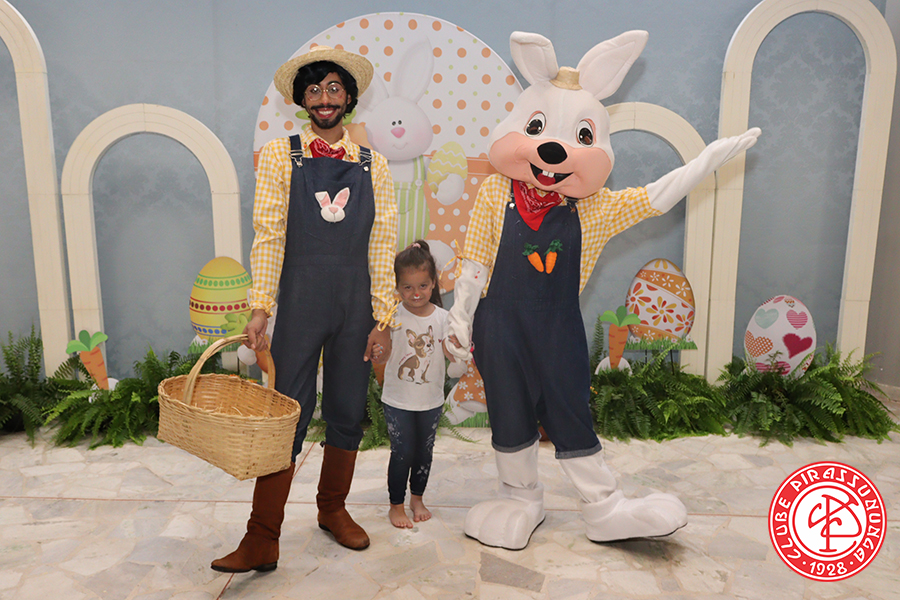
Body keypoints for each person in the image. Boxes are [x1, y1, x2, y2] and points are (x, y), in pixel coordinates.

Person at [211, 45, 398, 573]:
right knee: (286, 413)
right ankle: (262, 537)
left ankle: (332, 509)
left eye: (334, 88)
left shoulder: (374, 165)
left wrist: (383, 318)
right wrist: (260, 309)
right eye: (313, 90)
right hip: (298, 302)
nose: (324, 98)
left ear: (350, 98)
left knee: (346, 408)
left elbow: (382, 242)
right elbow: (269, 236)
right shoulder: (280, 155)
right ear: (301, 101)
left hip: (356, 306)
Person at [378, 241, 466, 528]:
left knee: (424, 453)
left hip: (430, 400)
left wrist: (458, 347)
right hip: (397, 400)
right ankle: (396, 505)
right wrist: (378, 351)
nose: (416, 294)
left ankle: (417, 499)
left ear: (433, 284)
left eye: (423, 286)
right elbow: (383, 353)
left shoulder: (443, 318)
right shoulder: (392, 317)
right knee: (402, 452)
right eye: (408, 287)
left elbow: (450, 355)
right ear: (397, 287)